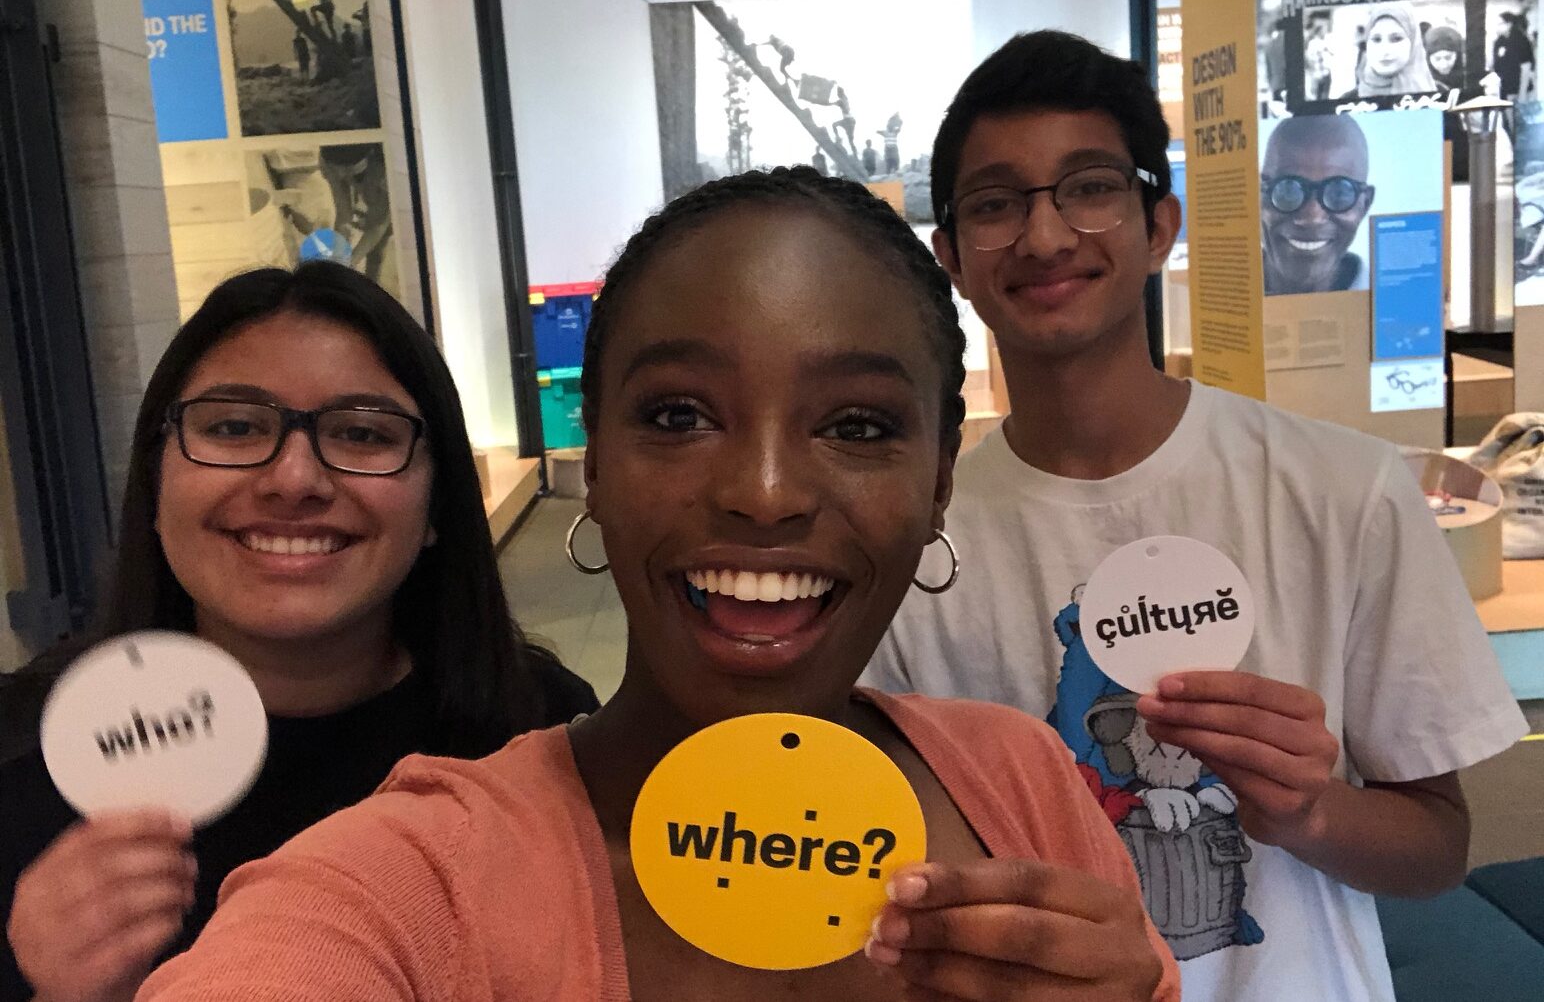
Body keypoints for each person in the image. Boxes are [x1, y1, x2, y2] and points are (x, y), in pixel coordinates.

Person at [137, 168, 1181, 1002]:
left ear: (939, 475)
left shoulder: (1019, 782)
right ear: (593, 457)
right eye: (679, 414)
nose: (765, 492)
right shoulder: (413, 878)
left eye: (856, 425)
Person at [864, 30, 1525, 1002]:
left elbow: (1434, 845)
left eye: (1087, 187)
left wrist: (1306, 810)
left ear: (1157, 222)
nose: (1044, 237)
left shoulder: (1342, 488)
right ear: (951, 256)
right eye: (996, 204)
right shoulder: (912, 546)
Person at [0, 264, 597, 1002]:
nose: (293, 478)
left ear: (438, 501)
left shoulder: (539, 734)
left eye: (361, 433)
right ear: (155, 484)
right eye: (234, 426)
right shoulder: (21, 754)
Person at [1259, 115, 1376, 296]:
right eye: (1288, 190)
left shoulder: (1397, 306)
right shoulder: (1206, 297)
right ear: (1257, 196)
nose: (1312, 217)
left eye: (1338, 193)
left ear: (1365, 204)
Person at [1355, 3, 1437, 98]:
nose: (1384, 50)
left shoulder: (1441, 93)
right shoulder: (1347, 99)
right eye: (1376, 39)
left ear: (1414, 42)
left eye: (1396, 39)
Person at [1423, 24, 1464, 97]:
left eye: (1448, 58)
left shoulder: (1469, 77)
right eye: (1437, 59)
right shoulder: (1422, 82)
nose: (1444, 64)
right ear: (1428, 58)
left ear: (1457, 56)